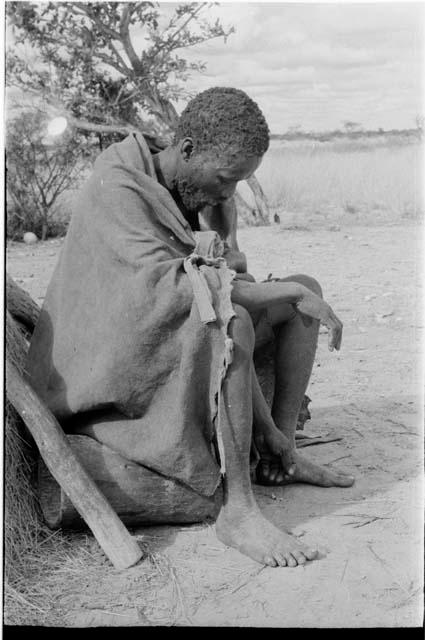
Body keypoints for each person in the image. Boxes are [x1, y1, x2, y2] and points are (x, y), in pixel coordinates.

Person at [27, 87, 354, 569]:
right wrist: (270, 290)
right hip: (110, 362)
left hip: (178, 331)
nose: (229, 192)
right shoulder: (119, 181)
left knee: (302, 289)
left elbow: (225, 281)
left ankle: (281, 454)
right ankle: (238, 511)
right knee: (239, 315)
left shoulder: (208, 197)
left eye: (239, 182)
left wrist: (269, 424)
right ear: (187, 150)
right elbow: (177, 293)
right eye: (226, 179)